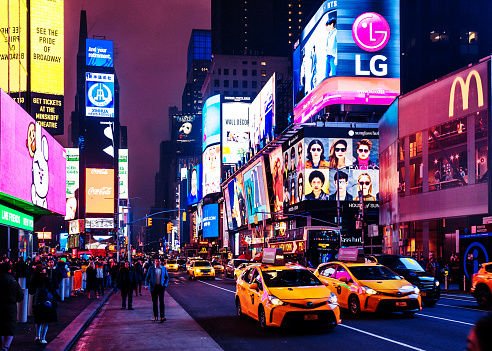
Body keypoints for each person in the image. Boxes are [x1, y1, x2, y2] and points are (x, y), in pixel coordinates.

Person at [28, 264, 61, 344]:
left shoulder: (33, 278)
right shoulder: (45, 279)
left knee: (38, 319)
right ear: (41, 270)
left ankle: (37, 336)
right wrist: (57, 298)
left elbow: (31, 291)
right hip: (46, 300)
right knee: (45, 320)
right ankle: (43, 338)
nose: (45, 270)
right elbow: (52, 289)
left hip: (37, 301)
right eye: (44, 269)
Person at [0, 262, 24, 351]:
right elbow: (20, 296)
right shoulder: (13, 281)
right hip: (10, 308)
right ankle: (5, 347)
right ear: (9, 270)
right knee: (9, 327)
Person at [145, 258, 169, 322]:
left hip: (161, 287)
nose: (157, 262)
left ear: (160, 262)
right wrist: (146, 285)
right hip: (154, 287)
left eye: (158, 261)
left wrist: (165, 284)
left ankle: (162, 316)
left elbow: (167, 277)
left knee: (162, 301)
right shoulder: (151, 268)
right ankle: (155, 316)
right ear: (154, 262)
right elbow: (147, 277)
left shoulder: (163, 268)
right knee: (155, 302)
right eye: (156, 261)